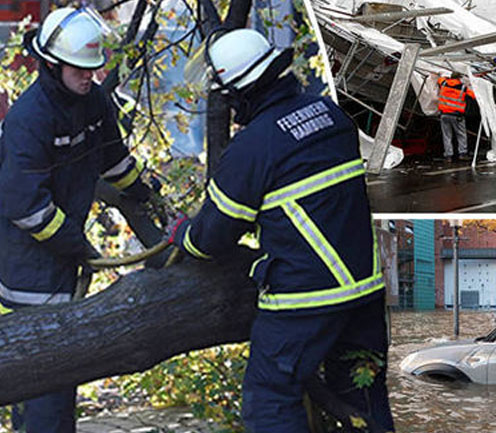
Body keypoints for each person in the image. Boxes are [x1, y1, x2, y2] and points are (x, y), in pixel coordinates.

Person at [175, 28, 394, 432]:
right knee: (363, 400)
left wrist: (181, 236)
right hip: (364, 291)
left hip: (305, 301)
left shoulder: (255, 146)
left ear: (241, 92)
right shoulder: (332, 115)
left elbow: (211, 238)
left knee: (270, 399)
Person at [0, 6, 155, 432]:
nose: (89, 77)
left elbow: (113, 158)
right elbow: (23, 205)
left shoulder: (94, 101)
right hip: (26, 266)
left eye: (93, 69)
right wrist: (78, 245)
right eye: (79, 70)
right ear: (52, 65)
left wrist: (143, 190)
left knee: (58, 375)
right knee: (44, 369)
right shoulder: (29, 119)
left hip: (61, 254)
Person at [437, 72, 475, 162]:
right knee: (461, 135)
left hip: (444, 114)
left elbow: (440, 78)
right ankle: (462, 154)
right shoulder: (463, 88)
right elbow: (473, 95)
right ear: (459, 78)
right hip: (456, 116)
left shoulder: (444, 83)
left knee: (447, 136)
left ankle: (448, 156)